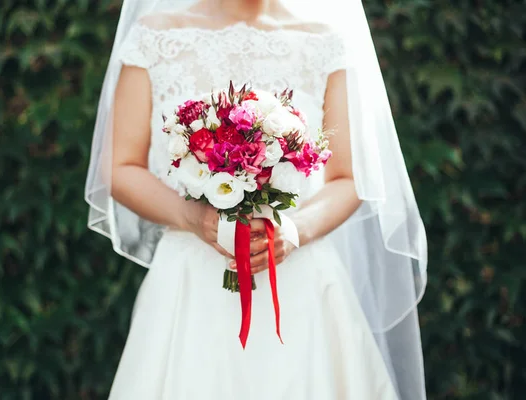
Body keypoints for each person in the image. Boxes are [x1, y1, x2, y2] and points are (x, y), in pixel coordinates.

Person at [85, 0, 428, 399]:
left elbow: (348, 178)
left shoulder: (324, 41)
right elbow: (121, 166)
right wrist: (191, 216)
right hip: (191, 283)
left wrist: (295, 229)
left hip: (301, 283)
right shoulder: (155, 37)